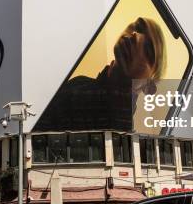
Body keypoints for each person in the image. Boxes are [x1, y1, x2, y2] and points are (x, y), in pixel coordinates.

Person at [34, 17, 166, 132]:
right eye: (138, 27)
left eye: (149, 50)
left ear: (149, 87)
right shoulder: (79, 84)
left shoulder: (121, 133)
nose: (136, 36)